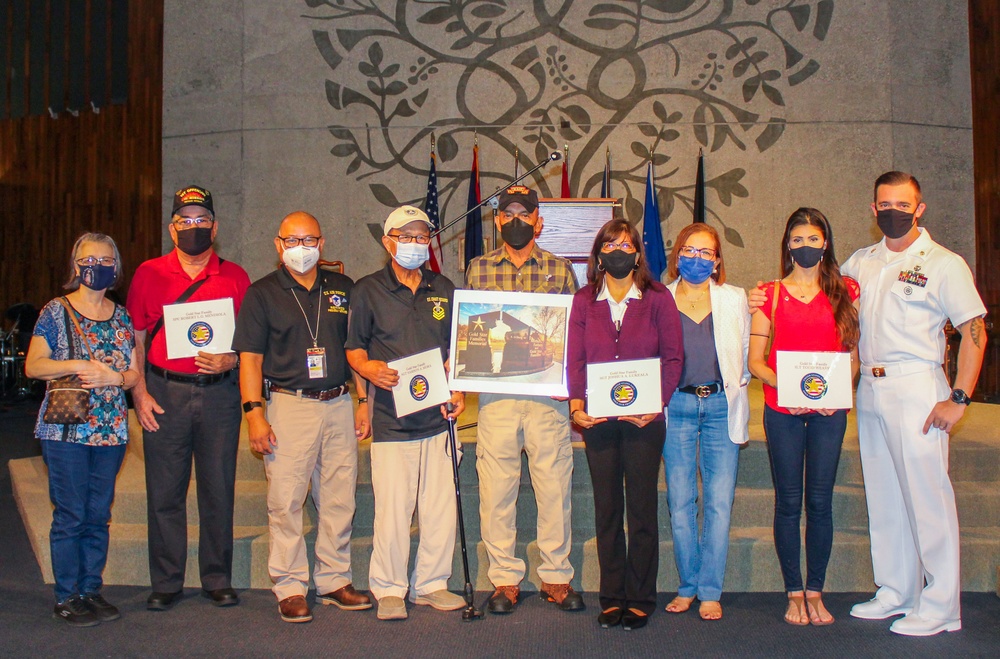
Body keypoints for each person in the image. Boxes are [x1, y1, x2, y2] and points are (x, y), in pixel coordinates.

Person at [841, 172, 986, 636]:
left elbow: (974, 331)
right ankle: (895, 591)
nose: (893, 212)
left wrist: (959, 397)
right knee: (884, 496)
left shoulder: (944, 263)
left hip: (919, 386)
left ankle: (941, 604)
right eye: (885, 203)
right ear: (873, 208)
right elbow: (824, 303)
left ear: (919, 208)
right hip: (871, 387)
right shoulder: (861, 261)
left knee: (928, 498)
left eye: (903, 205)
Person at [232, 211, 372, 624]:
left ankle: (334, 580)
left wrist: (363, 400)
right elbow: (250, 360)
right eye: (292, 241)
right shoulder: (262, 294)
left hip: (337, 403)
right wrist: (254, 414)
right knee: (287, 500)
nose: (301, 248)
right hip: (288, 404)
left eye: (309, 240)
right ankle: (290, 585)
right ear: (278, 245)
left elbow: (356, 350)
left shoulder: (344, 289)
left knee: (339, 497)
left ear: (322, 243)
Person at [126, 185, 251, 610]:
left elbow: (250, 344)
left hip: (219, 397)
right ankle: (166, 581)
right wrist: (138, 392)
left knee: (218, 489)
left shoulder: (235, 276)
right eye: (185, 220)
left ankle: (217, 577)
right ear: (172, 227)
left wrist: (231, 359)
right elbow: (136, 336)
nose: (193, 227)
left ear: (214, 227)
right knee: (164, 491)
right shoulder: (149, 273)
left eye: (201, 220)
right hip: (163, 392)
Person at [464, 184, 583, 614]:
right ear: (497, 221)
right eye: (507, 214)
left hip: (545, 393)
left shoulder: (560, 268)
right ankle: (505, 579)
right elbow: (467, 335)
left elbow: (573, 333)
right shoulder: (478, 269)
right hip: (496, 395)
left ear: (538, 220)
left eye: (524, 213)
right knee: (497, 488)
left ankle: (555, 576)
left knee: (553, 485)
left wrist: (571, 389)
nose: (516, 220)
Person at [345, 205, 467, 621]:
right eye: (406, 236)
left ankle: (432, 584)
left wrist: (460, 390)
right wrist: (367, 369)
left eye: (421, 237)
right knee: (393, 510)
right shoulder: (366, 290)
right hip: (391, 420)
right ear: (387, 241)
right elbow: (354, 348)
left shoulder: (444, 287)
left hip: (439, 418)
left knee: (440, 509)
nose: (415, 244)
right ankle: (390, 588)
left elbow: (458, 351)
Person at [567, 218, 684, 631]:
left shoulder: (657, 298)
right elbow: (575, 359)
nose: (618, 251)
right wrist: (576, 407)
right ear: (598, 254)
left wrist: (658, 404)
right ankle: (612, 595)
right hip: (597, 421)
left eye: (626, 244)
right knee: (607, 511)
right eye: (610, 244)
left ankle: (640, 597)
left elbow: (673, 358)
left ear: (637, 253)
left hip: (644, 421)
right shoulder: (584, 300)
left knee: (641, 509)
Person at [747, 208, 860, 627]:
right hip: (783, 411)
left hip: (830, 412)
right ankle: (793, 592)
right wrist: (785, 388)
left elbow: (852, 357)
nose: (806, 246)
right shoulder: (769, 293)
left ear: (826, 243)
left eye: (814, 239)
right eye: (798, 239)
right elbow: (755, 361)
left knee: (821, 501)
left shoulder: (845, 291)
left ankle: (817, 590)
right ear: (787, 244)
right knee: (789, 502)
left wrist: (840, 392)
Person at [25, 233, 141, 627]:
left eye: (107, 259)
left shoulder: (122, 315)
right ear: (77, 266)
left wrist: (115, 375)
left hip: (111, 430)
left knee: (98, 514)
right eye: (90, 259)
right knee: (71, 514)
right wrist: (79, 365)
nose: (99, 266)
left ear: (116, 267)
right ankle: (66, 595)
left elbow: (132, 374)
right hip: (66, 431)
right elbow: (34, 365)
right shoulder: (55, 312)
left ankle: (90, 589)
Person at [661, 223, 751, 621]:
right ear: (677, 254)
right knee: (680, 502)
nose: (696, 258)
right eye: (689, 250)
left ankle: (710, 589)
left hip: (719, 407)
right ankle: (687, 586)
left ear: (717, 261)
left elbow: (746, 352)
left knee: (718, 502)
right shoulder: (657, 298)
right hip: (675, 408)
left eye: (706, 252)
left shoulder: (735, 298)